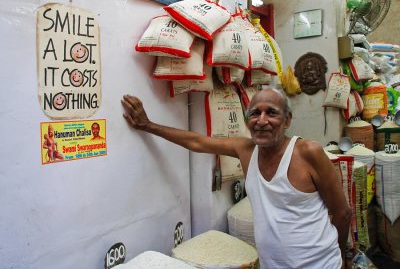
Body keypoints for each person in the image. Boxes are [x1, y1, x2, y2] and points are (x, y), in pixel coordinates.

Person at [121, 86, 351, 269]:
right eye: (254, 113)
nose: (261, 120)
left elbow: (342, 212)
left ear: (287, 120)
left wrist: (340, 255)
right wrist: (148, 125)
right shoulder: (245, 149)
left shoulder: (308, 152)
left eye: (271, 112)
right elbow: (196, 142)